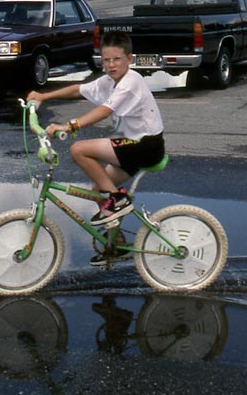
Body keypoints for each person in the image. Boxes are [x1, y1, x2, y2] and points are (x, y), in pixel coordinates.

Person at [26, 31, 165, 263]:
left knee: (79, 150)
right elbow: (78, 89)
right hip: (133, 147)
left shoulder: (131, 83)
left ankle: (117, 200)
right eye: (106, 60)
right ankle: (116, 243)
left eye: (117, 59)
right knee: (98, 188)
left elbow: (104, 111)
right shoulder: (109, 81)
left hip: (145, 146)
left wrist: (70, 126)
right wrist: (43, 96)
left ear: (129, 59)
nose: (110, 65)